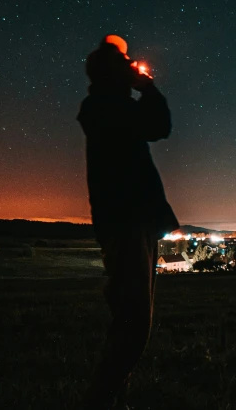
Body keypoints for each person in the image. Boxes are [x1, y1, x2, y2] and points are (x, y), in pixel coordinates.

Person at [77, 35, 179, 410]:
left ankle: (113, 400)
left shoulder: (106, 105)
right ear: (111, 72)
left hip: (132, 219)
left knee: (127, 317)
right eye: (125, 62)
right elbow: (158, 127)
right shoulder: (104, 107)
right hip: (127, 219)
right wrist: (148, 90)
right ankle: (97, 401)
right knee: (135, 321)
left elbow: (152, 128)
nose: (132, 64)